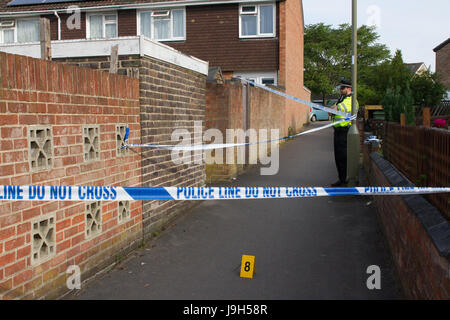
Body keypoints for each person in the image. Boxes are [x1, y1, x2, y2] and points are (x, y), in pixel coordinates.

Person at [329, 79, 358, 187]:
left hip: (345, 131)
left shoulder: (351, 100)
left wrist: (334, 109)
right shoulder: (341, 98)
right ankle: (341, 179)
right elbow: (332, 110)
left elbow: (337, 108)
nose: (340, 90)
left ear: (349, 88)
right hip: (337, 131)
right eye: (340, 88)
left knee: (343, 157)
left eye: (343, 88)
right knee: (338, 157)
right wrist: (333, 109)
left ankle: (345, 180)